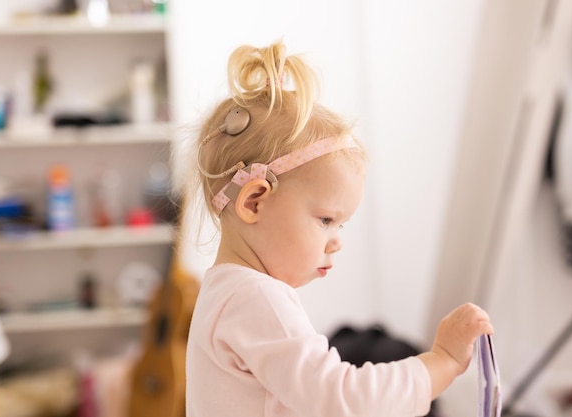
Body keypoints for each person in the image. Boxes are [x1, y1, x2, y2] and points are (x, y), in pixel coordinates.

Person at [183, 40, 493, 417]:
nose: (337, 241)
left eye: (340, 224)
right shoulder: (255, 299)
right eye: (326, 220)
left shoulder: (225, 293)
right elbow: (342, 398)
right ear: (254, 202)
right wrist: (441, 362)